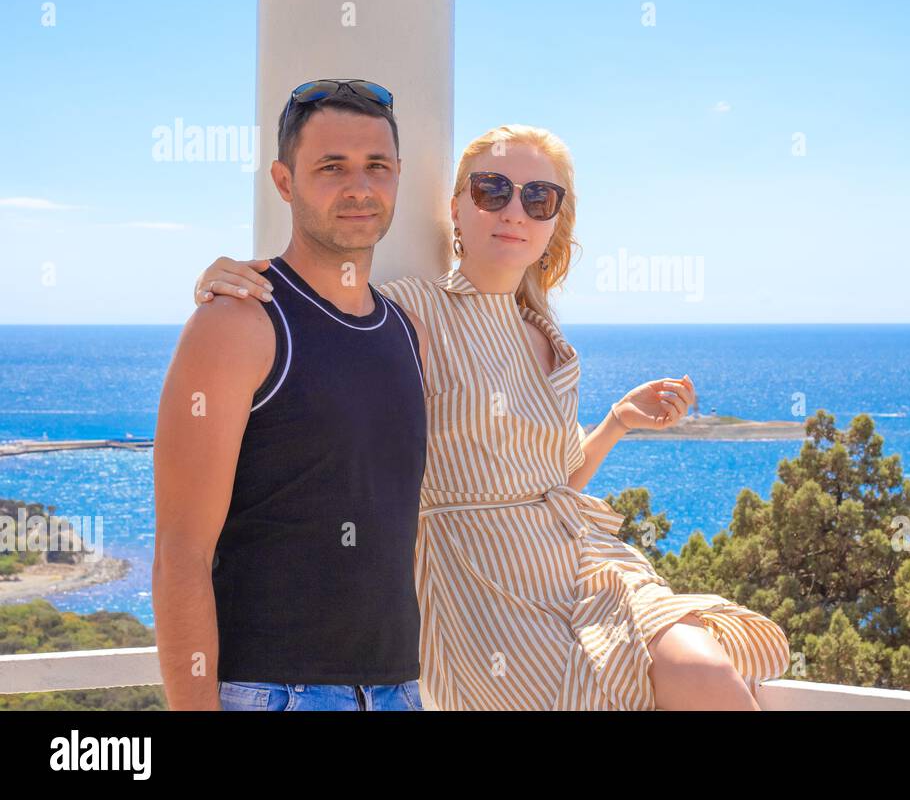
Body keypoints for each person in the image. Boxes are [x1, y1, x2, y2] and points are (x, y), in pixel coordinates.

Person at [191, 124, 791, 710]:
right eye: (491, 190)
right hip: (481, 592)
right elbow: (319, 318)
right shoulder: (412, 311)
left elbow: (544, 487)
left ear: (556, 221)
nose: (514, 212)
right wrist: (233, 280)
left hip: (587, 570)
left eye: (538, 198)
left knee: (712, 672)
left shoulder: (547, 335)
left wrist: (616, 423)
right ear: (456, 207)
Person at [153, 79, 430, 710]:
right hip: (277, 693)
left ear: (397, 177)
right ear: (284, 182)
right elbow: (179, 553)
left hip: (396, 689)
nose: (359, 188)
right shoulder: (239, 323)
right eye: (331, 167)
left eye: (376, 167)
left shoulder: (403, 330)